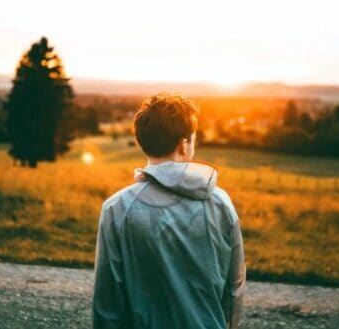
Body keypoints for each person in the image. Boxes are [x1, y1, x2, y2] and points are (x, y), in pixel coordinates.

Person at [92, 93, 246, 329]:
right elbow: (234, 289)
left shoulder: (117, 209)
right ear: (184, 145)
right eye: (193, 139)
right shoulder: (221, 203)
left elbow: (108, 302)